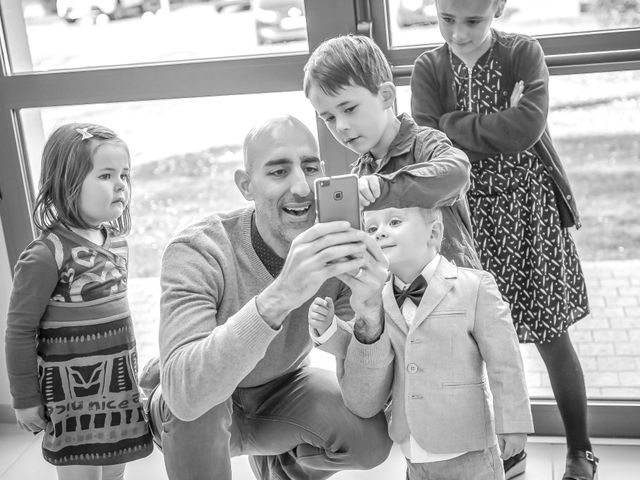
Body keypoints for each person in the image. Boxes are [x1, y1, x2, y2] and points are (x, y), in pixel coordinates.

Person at [140, 115, 392, 480]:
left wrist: (370, 318)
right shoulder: (198, 250)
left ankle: (280, 469)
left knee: (369, 440)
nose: (303, 188)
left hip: (279, 391)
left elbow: (365, 400)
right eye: (278, 172)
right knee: (201, 402)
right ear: (246, 185)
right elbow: (184, 395)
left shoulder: (336, 251)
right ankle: (152, 376)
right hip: (194, 406)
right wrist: (280, 295)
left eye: (309, 168)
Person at [409, 1, 596, 479]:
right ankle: (506, 453)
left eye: (472, 21)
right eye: (446, 20)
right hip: (468, 219)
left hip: (528, 214)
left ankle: (580, 450)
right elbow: (429, 137)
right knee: (481, 339)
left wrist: (457, 125)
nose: (458, 33)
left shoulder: (522, 54)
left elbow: (526, 128)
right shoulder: (431, 67)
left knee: (552, 334)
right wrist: (492, 125)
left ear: (498, 7)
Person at [310, 205, 535, 480]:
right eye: (371, 228)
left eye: (394, 222)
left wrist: (512, 423)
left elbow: (505, 361)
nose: (380, 233)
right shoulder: (379, 298)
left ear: (434, 233)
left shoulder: (474, 287)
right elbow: (365, 347)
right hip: (411, 446)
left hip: (467, 446)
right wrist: (329, 330)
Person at [5, 123, 153, 480]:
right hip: (71, 402)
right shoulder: (46, 255)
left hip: (117, 392)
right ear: (66, 185)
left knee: (116, 468)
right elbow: (19, 331)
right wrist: (25, 399)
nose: (121, 185)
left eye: (124, 175)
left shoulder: (117, 243)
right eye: (105, 175)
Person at [303, 34, 481, 269]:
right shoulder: (357, 177)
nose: (341, 126)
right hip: (395, 301)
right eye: (329, 118)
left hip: (457, 295)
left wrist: (384, 187)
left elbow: (457, 173)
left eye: (349, 108)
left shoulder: (425, 144)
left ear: (386, 96)